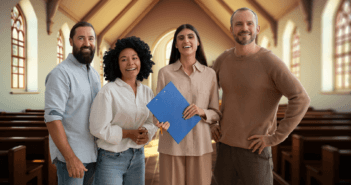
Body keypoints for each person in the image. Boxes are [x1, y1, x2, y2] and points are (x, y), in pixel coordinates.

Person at [211, 7, 311, 185]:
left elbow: (301, 98)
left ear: (257, 29)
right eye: (239, 24)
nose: (244, 28)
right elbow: (206, 92)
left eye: (250, 23)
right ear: (231, 29)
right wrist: (210, 123)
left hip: (255, 151)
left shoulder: (270, 61)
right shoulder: (223, 59)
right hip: (224, 147)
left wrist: (276, 137)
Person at [155, 24, 221, 185]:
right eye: (181, 37)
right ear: (176, 44)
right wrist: (159, 121)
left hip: (201, 145)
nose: (186, 40)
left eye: (191, 36)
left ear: (198, 42)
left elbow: (216, 113)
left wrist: (201, 111)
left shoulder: (209, 74)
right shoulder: (165, 73)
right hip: (171, 146)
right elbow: (157, 111)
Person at [89, 36, 157, 185]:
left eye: (134, 58)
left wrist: (146, 133)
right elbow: (98, 128)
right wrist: (128, 133)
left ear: (142, 61)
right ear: (116, 64)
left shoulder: (147, 92)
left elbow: (151, 121)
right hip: (111, 159)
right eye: (124, 59)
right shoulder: (108, 92)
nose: (131, 63)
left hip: (138, 156)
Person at [44, 22, 100, 185]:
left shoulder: (95, 74)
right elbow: (52, 119)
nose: (87, 43)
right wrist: (71, 158)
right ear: (70, 41)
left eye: (91, 38)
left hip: (94, 154)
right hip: (72, 156)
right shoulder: (60, 74)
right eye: (81, 38)